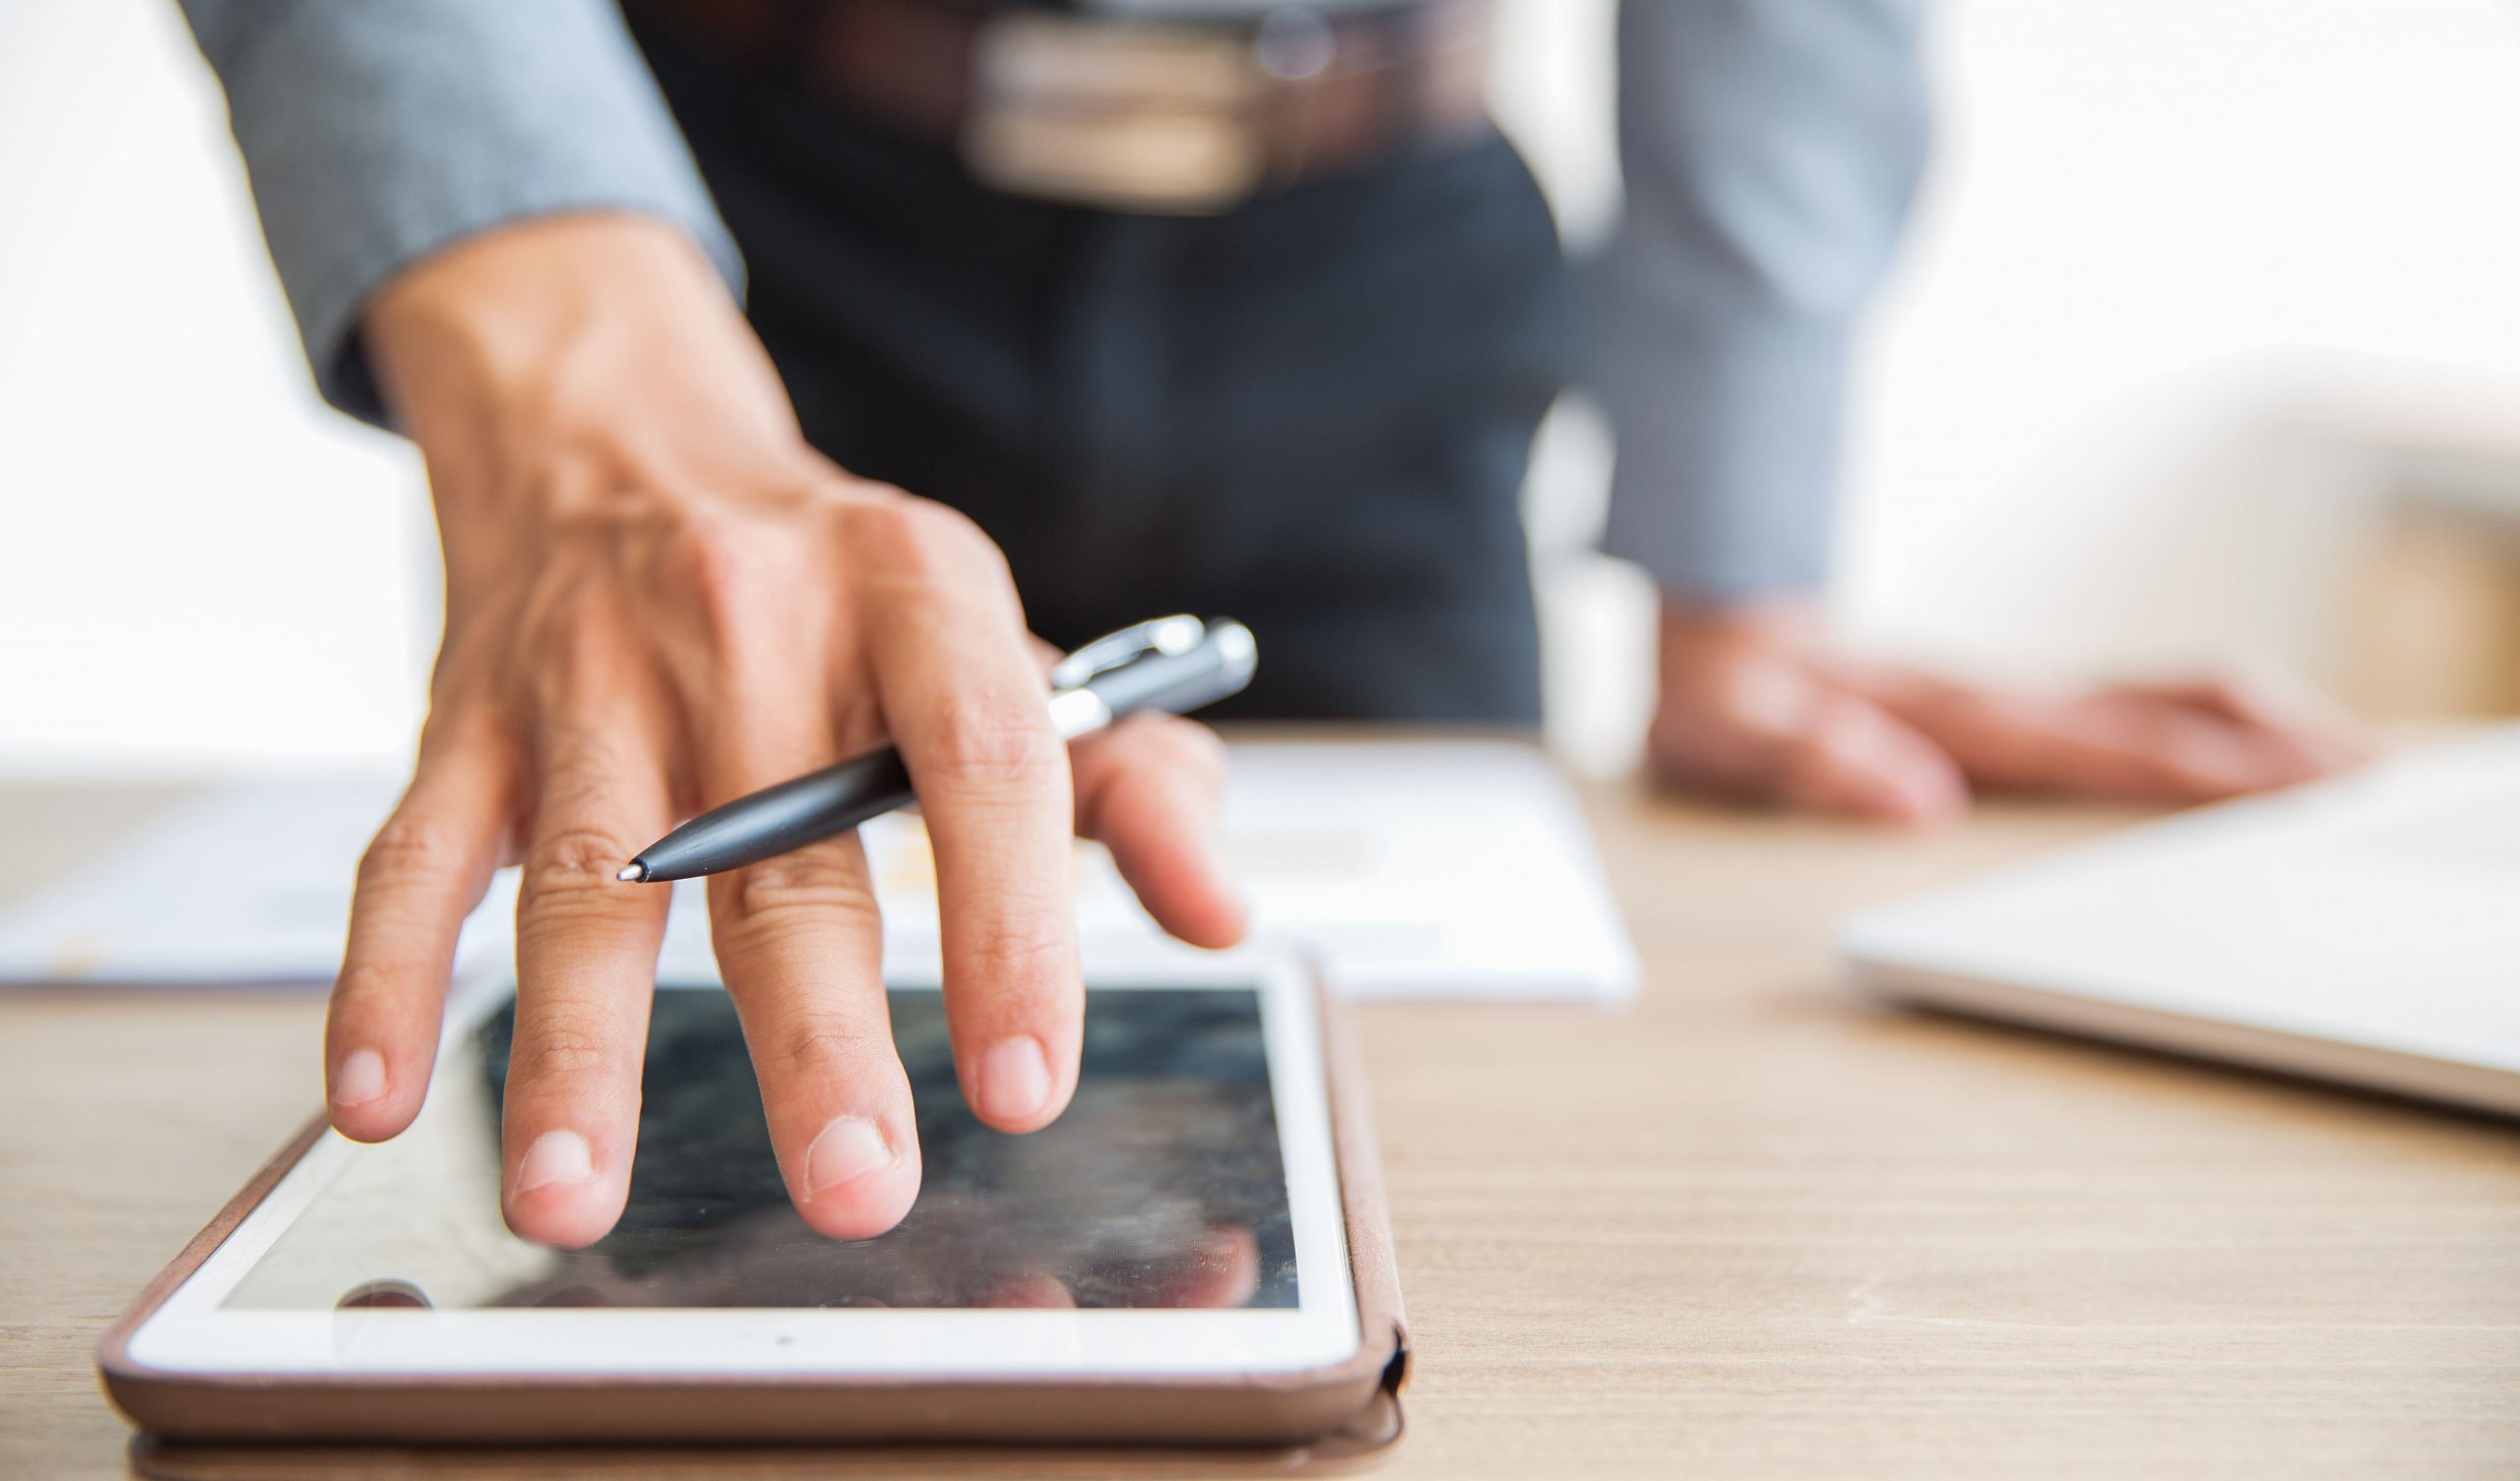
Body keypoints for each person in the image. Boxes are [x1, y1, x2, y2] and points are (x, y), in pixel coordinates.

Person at [172, 0, 2360, 1250]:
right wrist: (592, 387)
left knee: (1432, 1199)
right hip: (715, 221)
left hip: (1385, 254)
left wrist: (1742, 557)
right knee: (671, 1178)